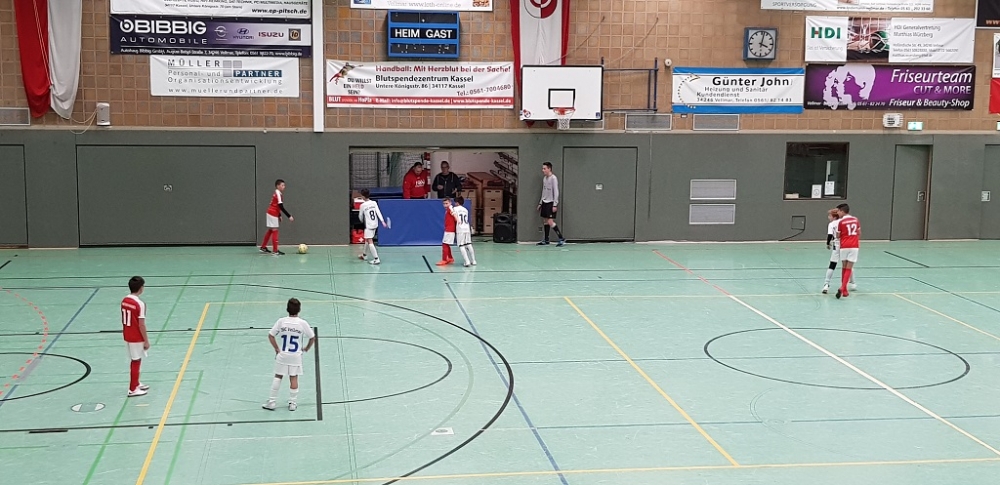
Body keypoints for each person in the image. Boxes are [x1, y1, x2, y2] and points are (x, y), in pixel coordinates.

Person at [263, 298, 315, 412]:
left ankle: (272, 402)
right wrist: (306, 348)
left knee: (278, 376)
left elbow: (271, 335)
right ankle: (292, 403)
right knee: (294, 377)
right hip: (295, 356)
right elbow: (312, 337)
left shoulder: (281, 321)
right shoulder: (302, 323)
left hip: (283, 355)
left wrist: (277, 348)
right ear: (299, 310)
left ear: (287, 309)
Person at [122, 276, 151, 397]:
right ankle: (132, 389)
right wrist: (146, 340)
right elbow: (141, 324)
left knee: (135, 359)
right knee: (136, 361)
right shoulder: (140, 304)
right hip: (136, 336)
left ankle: (136, 383)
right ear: (141, 288)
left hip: (127, 333)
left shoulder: (125, 300)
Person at [823, 208, 855, 294]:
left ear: (834, 217)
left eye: (830, 215)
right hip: (845, 245)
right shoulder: (843, 222)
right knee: (848, 265)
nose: (828, 217)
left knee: (832, 265)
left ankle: (826, 284)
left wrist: (828, 243)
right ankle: (852, 283)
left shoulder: (831, 224)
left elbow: (830, 235)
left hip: (837, 246)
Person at [260, 179, 293, 255]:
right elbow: (281, 206)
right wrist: (289, 216)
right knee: (275, 230)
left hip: (270, 212)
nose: (284, 187)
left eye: (284, 185)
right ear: (278, 186)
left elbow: (276, 205)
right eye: (282, 185)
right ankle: (275, 250)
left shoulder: (277, 193)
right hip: (272, 213)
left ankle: (263, 247)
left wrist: (279, 215)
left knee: (271, 230)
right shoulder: (278, 194)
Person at [835, 203, 861, 299]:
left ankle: (844, 289)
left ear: (842, 211)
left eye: (838, 211)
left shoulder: (841, 222)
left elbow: (838, 235)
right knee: (849, 268)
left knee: (844, 267)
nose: (837, 213)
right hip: (854, 246)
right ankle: (843, 288)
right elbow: (859, 232)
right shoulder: (856, 220)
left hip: (844, 246)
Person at [536, 162, 565, 246]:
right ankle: (546, 240)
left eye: (544, 168)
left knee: (550, 221)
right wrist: (540, 203)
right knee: (545, 221)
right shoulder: (545, 178)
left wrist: (555, 204)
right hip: (544, 202)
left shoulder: (553, 178)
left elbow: (556, 192)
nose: (543, 170)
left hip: (551, 202)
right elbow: (544, 191)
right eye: (542, 168)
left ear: (549, 169)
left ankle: (561, 238)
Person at [358, 188, 387, 265]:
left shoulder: (362, 205)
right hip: (375, 224)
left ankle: (376, 259)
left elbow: (360, 216)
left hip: (369, 225)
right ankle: (364, 255)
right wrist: (382, 221)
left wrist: (361, 220)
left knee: (370, 240)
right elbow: (378, 212)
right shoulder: (374, 203)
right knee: (367, 239)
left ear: (363, 196)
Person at [452, 196, 477, 267]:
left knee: (461, 245)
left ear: (457, 203)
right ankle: (473, 260)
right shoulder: (465, 210)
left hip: (460, 228)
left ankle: (467, 261)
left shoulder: (455, 209)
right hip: (467, 228)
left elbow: (454, 216)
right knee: (469, 243)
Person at [437, 198, 456, 266]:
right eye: (444, 204)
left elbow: (455, 216)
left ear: (450, 203)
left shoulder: (450, 208)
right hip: (448, 229)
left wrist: (457, 221)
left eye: (447, 203)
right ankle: (450, 258)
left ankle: (444, 259)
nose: (445, 205)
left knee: (444, 244)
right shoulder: (448, 209)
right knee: (446, 244)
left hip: (450, 230)